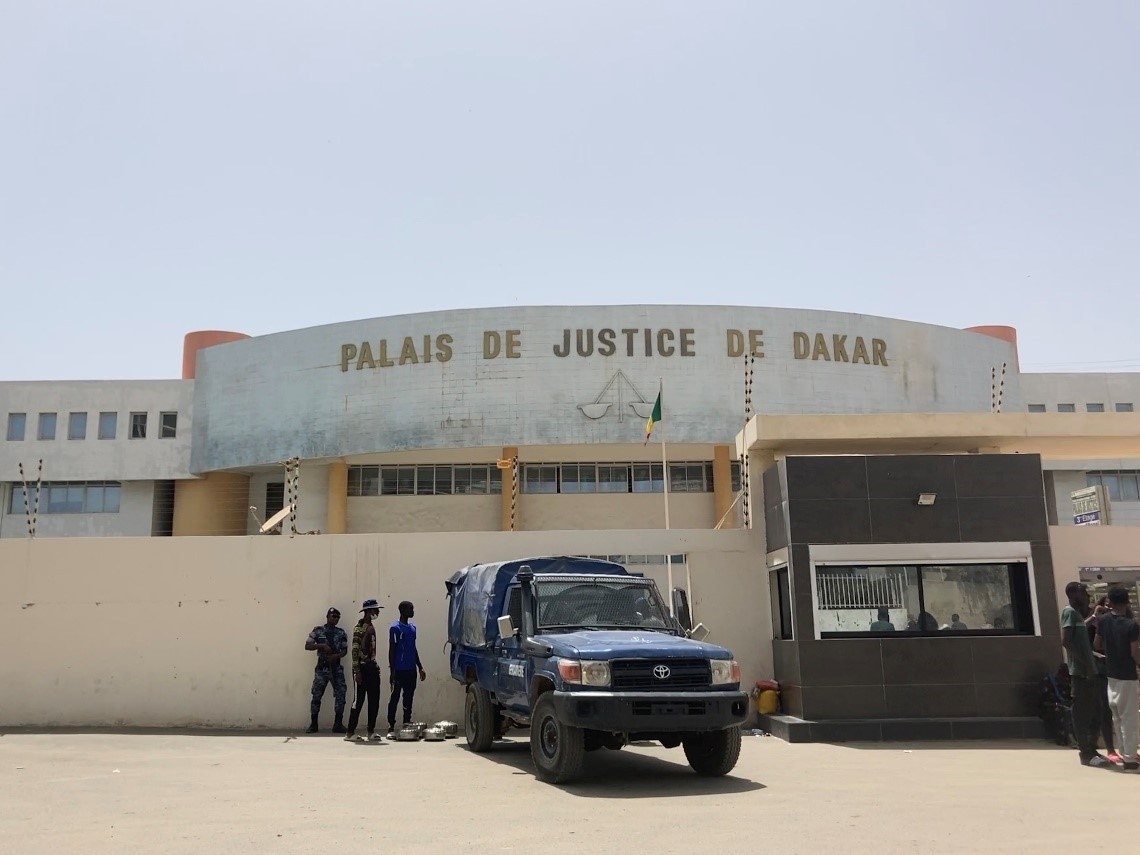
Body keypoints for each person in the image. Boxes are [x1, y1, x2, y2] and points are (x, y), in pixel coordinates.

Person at [1061, 581, 1113, 768]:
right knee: (1083, 715)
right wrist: (1084, 663)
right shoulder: (1069, 612)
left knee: (1095, 712)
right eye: (1084, 593)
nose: (1087, 597)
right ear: (1074, 594)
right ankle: (1086, 753)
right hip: (1081, 674)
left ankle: (1092, 749)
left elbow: (1079, 634)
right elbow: (1067, 641)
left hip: (1090, 672)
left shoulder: (1076, 615)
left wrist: (1093, 618)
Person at [1094, 586, 1140, 770]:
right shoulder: (1131, 625)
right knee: (1129, 719)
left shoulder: (1103, 621)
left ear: (1110, 602)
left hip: (1110, 675)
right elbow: (1134, 653)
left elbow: (1096, 644)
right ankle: (1130, 758)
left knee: (1117, 718)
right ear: (1127, 602)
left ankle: (1123, 752)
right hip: (1127, 676)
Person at [344, 599, 384, 743]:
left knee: (374, 700)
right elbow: (355, 650)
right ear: (369, 611)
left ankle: (371, 731)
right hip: (361, 668)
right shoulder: (359, 628)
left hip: (372, 667)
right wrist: (357, 671)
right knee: (358, 701)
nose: (377, 612)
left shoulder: (371, 626)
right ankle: (350, 732)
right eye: (375, 610)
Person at [304, 607, 348, 733]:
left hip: (336, 668)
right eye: (333, 616)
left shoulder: (341, 633)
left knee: (341, 695)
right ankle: (314, 724)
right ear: (327, 616)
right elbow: (307, 645)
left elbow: (344, 650)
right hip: (322, 669)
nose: (336, 619)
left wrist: (336, 656)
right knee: (316, 695)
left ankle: (338, 724)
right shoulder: (318, 631)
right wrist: (322, 646)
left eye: (338, 617)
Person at [387, 601, 426, 736]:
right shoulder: (395, 628)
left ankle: (406, 722)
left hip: (411, 670)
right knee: (395, 697)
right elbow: (392, 650)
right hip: (399, 670)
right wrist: (392, 671)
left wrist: (420, 667)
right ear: (403, 611)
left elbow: (413, 648)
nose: (413, 611)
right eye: (411, 609)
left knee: (408, 697)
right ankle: (391, 725)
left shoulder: (413, 628)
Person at [1089, 595, 1121, 763]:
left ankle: (1126, 748)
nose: (1109, 609)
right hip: (1101, 671)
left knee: (1122, 711)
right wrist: (1095, 617)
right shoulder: (1094, 623)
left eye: (1111, 605)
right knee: (1106, 710)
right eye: (1106, 606)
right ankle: (1110, 748)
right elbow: (1089, 646)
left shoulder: (1121, 622)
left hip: (1119, 670)